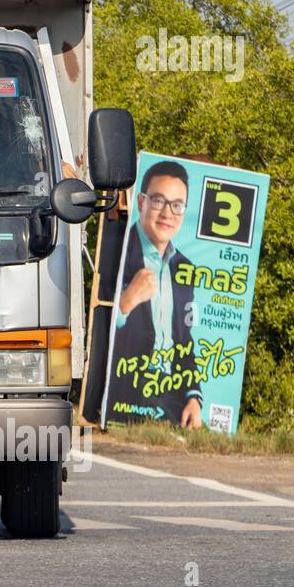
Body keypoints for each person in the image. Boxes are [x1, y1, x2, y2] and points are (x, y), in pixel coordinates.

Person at [112, 160, 203, 427]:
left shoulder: (184, 267)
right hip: (125, 391)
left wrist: (193, 396)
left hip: (171, 394)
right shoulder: (117, 251)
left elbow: (184, 338)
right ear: (141, 202)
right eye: (158, 200)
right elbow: (95, 328)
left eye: (177, 205)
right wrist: (126, 302)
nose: (167, 213)